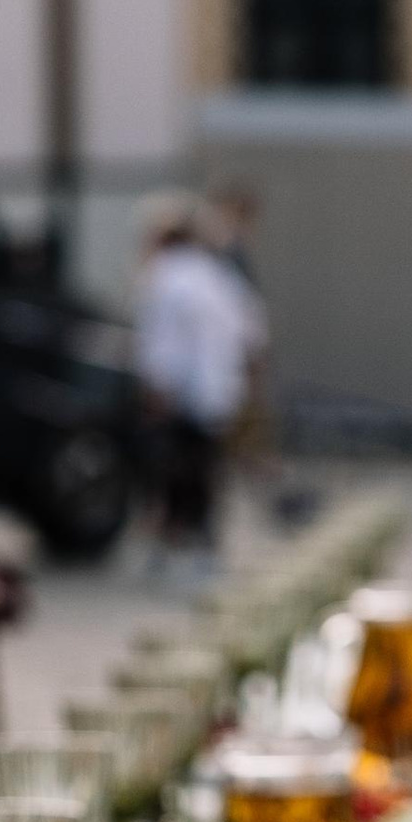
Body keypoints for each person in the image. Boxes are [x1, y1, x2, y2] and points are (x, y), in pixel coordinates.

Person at [131, 195, 265, 569]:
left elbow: (161, 344)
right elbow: (252, 333)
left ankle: (171, 547)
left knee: (172, 474)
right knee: (205, 472)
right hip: (219, 391)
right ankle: (203, 548)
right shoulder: (217, 275)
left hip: (180, 395)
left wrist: (157, 388)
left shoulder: (165, 276)